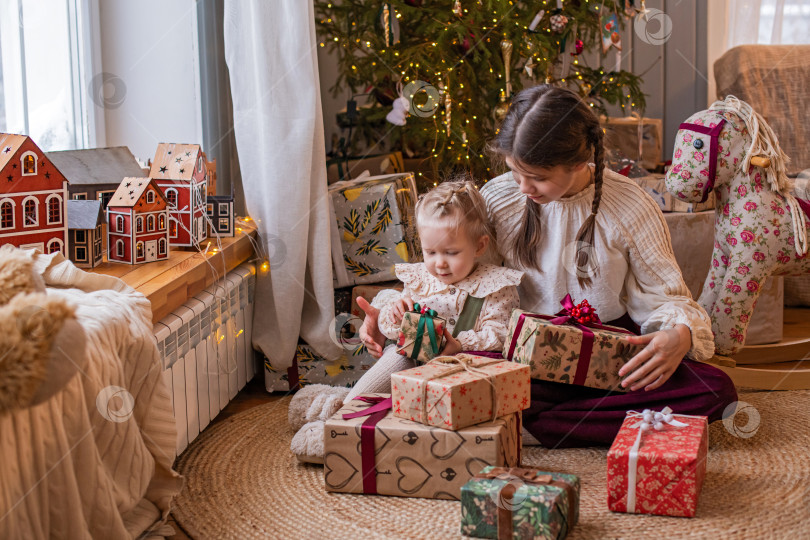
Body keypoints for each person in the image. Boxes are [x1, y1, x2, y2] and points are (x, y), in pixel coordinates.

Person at [359, 85, 738, 448]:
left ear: (579, 163)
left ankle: (519, 421)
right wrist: (391, 304)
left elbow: (666, 294)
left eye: (538, 177)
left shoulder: (630, 206)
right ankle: (543, 419)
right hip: (517, 350)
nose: (523, 186)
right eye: (515, 171)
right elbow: (456, 279)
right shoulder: (498, 197)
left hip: (603, 348)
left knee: (714, 391)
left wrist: (680, 335)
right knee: (460, 370)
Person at [289, 180, 523, 461]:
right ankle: (344, 414)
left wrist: (459, 344)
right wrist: (396, 313)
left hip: (461, 368)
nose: (439, 263)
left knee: (407, 404)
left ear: (479, 245)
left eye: (451, 253)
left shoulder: (495, 285)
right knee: (395, 360)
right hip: (412, 358)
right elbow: (392, 329)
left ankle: (340, 416)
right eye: (430, 252)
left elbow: (501, 333)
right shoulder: (422, 278)